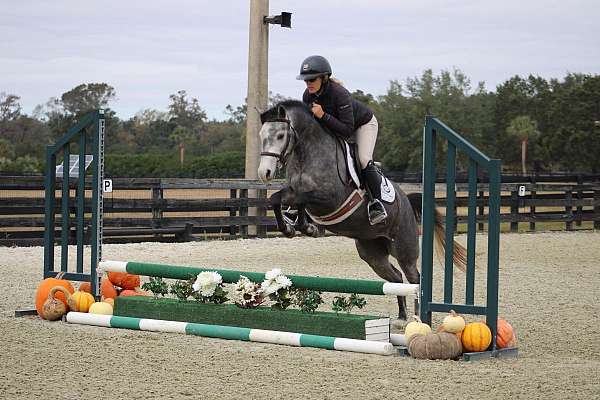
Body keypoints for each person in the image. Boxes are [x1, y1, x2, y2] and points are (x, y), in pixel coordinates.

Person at [297, 55, 387, 225]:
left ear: (324, 78)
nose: (308, 83)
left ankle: (377, 204)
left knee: (363, 159)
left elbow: (347, 130)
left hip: (362, 125)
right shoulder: (307, 96)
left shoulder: (340, 94)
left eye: (311, 79)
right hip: (336, 128)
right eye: (305, 80)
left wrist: (323, 115)